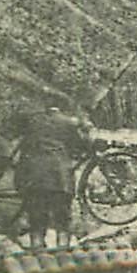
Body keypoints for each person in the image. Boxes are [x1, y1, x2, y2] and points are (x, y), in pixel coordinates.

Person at [13, 104, 96, 250]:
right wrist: (88, 133)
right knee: (62, 216)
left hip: (33, 174)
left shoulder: (32, 119)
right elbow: (83, 146)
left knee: (36, 215)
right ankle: (63, 248)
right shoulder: (67, 123)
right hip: (59, 175)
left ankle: (37, 247)